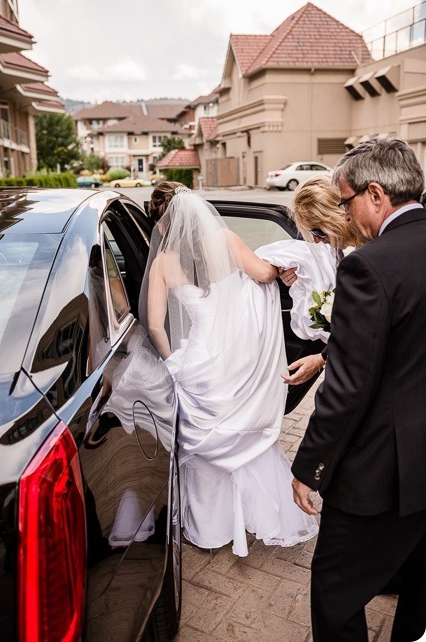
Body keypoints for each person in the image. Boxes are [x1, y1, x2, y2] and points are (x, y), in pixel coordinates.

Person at [291, 136, 426, 641]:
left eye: (345, 200)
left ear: (375, 194)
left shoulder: (368, 266)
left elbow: (349, 389)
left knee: (335, 588)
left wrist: (310, 468)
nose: (346, 214)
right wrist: (328, 352)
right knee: (419, 582)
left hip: (385, 470)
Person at [139, 181, 319, 557]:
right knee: (246, 438)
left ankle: (210, 528)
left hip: (197, 363)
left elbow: (155, 324)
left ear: (163, 220)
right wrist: (283, 268)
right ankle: (261, 517)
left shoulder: (162, 262)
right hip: (236, 361)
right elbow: (265, 276)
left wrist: (173, 361)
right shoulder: (223, 237)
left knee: (203, 450)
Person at [278, 175, 358, 386]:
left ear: (334, 217)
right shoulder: (337, 251)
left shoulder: (367, 254)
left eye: (317, 231)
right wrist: (301, 279)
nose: (315, 240)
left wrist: (321, 359)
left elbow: (363, 326)